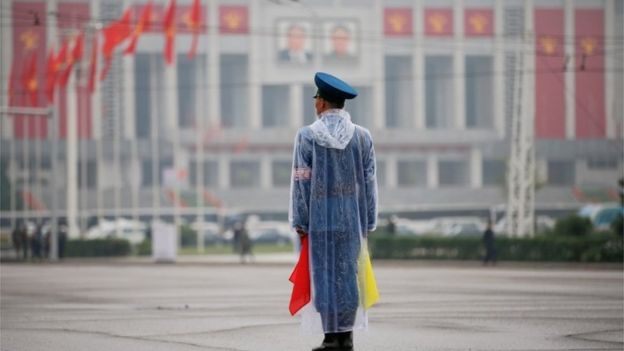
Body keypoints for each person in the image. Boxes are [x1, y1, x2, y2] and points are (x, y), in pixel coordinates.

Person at [290, 72, 378, 351]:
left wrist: (301, 220)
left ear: (322, 103)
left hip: (319, 219)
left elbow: (301, 180)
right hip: (352, 219)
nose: (315, 103)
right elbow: (369, 182)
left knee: (324, 275)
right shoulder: (362, 137)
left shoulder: (307, 136)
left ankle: (330, 337)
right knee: (349, 274)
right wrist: (370, 220)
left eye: (316, 98)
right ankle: (346, 337)